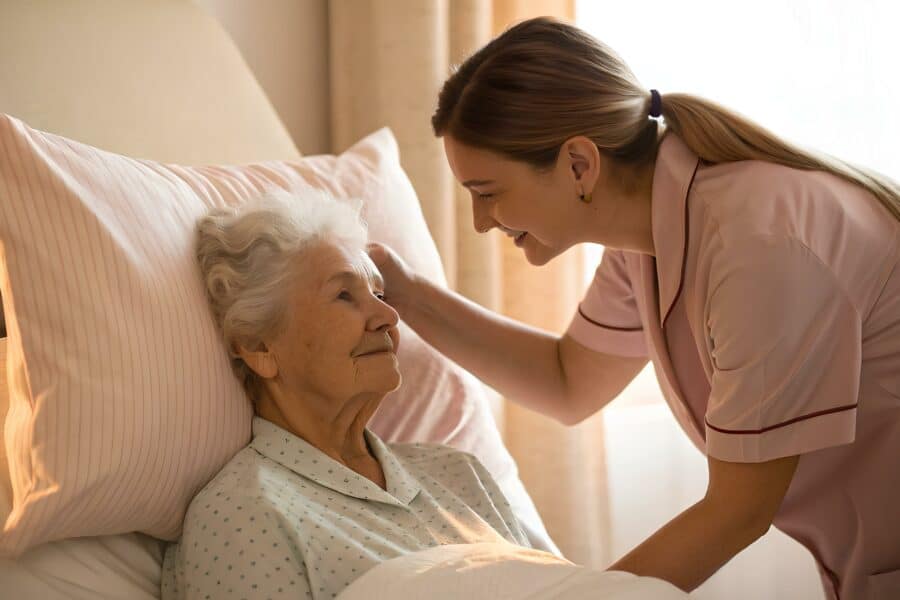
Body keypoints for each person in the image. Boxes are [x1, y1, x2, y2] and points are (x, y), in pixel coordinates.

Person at [367, 16, 900, 600]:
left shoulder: (759, 247)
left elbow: (736, 512)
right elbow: (569, 382)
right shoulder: (649, 237)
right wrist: (407, 291)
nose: (481, 222)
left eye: (488, 193)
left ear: (578, 165)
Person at [161, 189, 531, 600]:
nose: (388, 316)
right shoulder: (242, 515)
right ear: (260, 347)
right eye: (343, 295)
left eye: (378, 294)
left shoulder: (460, 474)